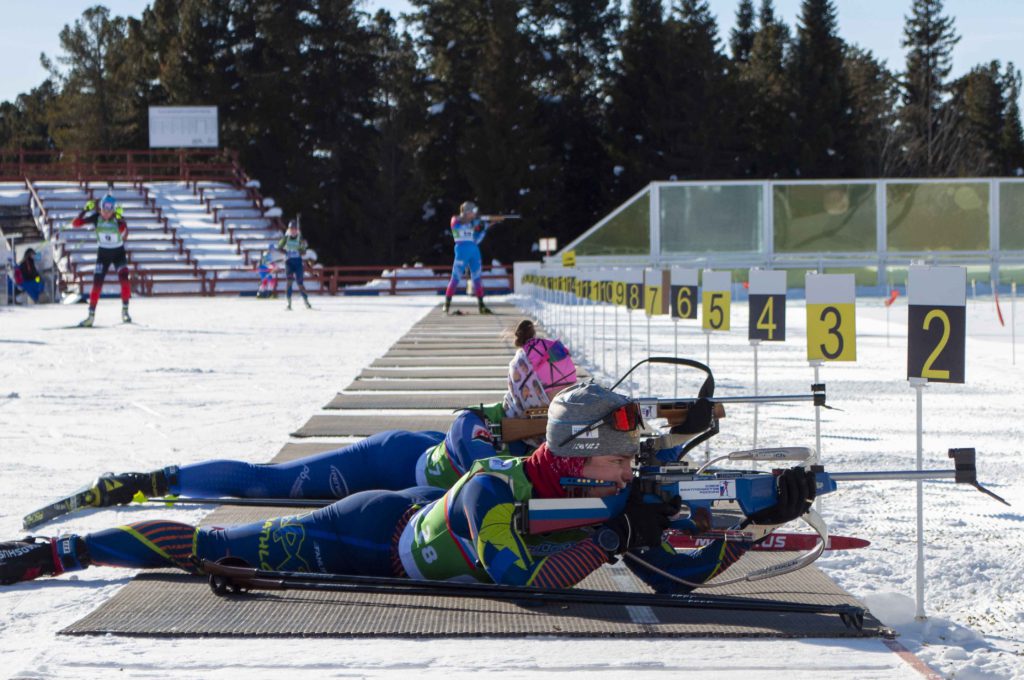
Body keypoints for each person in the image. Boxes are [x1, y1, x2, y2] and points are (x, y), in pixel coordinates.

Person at [0, 382, 814, 590]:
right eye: (619, 456)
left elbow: (673, 578)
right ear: (577, 457)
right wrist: (612, 537)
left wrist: (746, 520)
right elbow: (515, 577)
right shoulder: (494, 487)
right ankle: (62, 552)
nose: (632, 469)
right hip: (368, 535)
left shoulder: (607, 492)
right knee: (212, 546)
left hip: (405, 520)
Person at [34, 320, 578, 510]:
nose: (562, 405)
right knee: (267, 484)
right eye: (556, 395)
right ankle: (148, 480)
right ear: (528, 393)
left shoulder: (535, 422)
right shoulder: (476, 423)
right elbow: (480, 460)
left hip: (412, 481)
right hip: (389, 462)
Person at [69, 194, 131, 326]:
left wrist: (120, 218)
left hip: (118, 253)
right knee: (97, 285)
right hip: (103, 255)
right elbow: (75, 223)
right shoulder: (96, 218)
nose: (106, 213)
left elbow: (124, 233)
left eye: (109, 210)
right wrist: (84, 210)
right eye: (104, 209)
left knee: (125, 281)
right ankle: (90, 316)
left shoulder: (118, 219)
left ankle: (125, 311)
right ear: (100, 209)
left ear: (113, 210)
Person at [443, 201, 505, 315]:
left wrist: (489, 224)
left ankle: (481, 305)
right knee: (455, 278)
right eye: (472, 212)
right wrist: (475, 224)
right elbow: (459, 225)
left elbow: (477, 237)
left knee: (477, 278)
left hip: (474, 250)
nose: (474, 214)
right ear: (467, 212)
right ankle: (446, 305)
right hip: (462, 250)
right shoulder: (456, 219)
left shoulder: (474, 222)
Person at [277, 221, 311, 310]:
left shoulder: (300, 239)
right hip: (289, 263)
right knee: (289, 282)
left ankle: (306, 302)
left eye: (295, 229)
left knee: (300, 283)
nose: (293, 231)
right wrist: (286, 252)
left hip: (298, 263)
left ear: (297, 230)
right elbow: (279, 248)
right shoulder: (286, 238)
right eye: (291, 229)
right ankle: (289, 304)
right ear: (289, 230)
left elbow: (304, 252)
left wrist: (300, 251)